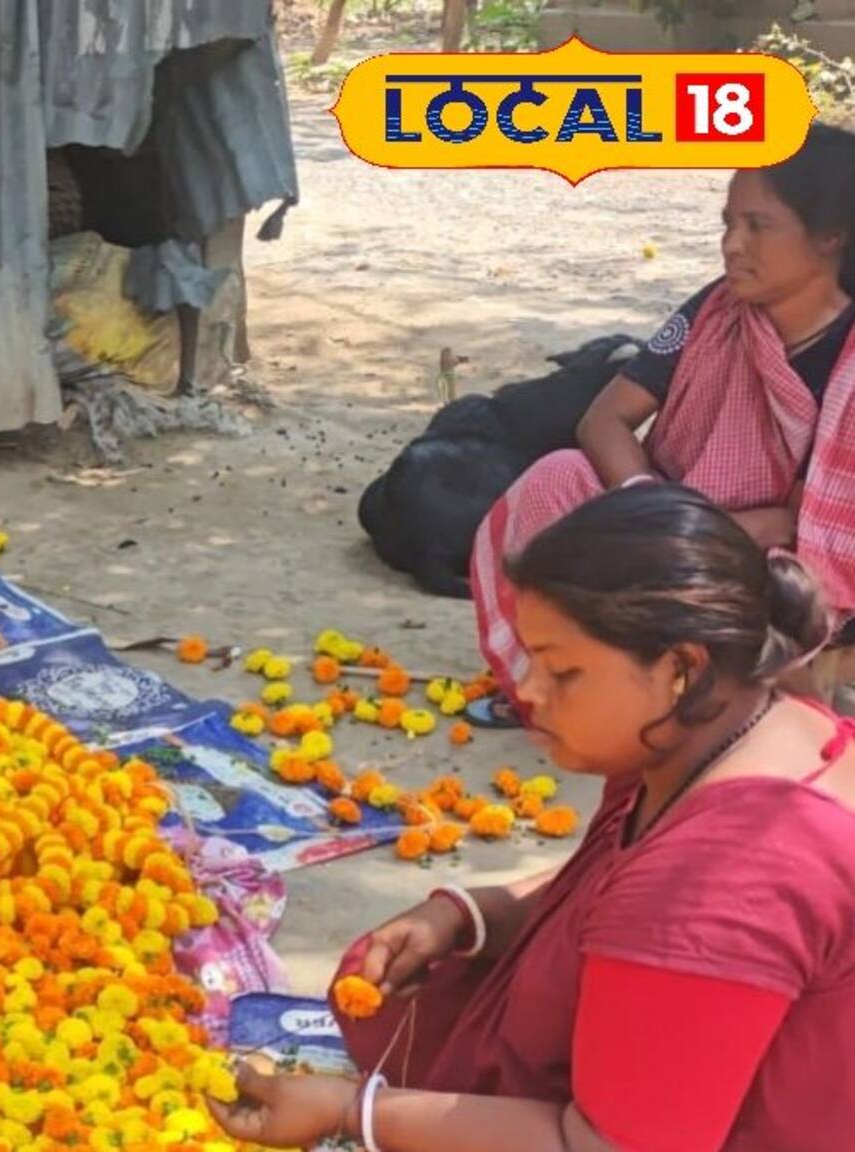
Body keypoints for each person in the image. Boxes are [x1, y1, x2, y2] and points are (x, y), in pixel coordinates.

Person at [214, 487, 855, 1151]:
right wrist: (471, 914)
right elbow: (618, 873)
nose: (526, 689)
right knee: (403, 997)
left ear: (681, 670)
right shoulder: (746, 725)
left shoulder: (725, 876)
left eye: (561, 670)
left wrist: (353, 1112)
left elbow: (606, 1147)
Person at [470, 124, 855, 726]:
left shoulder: (846, 358)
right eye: (728, 224)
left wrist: (696, 536)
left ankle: (725, 711)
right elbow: (605, 422)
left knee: (785, 590)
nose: (733, 245)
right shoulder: (713, 310)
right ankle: (561, 689)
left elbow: (811, 524)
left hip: (771, 555)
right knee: (557, 480)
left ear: (830, 238)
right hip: (668, 515)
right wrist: (653, 511)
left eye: (758, 227)